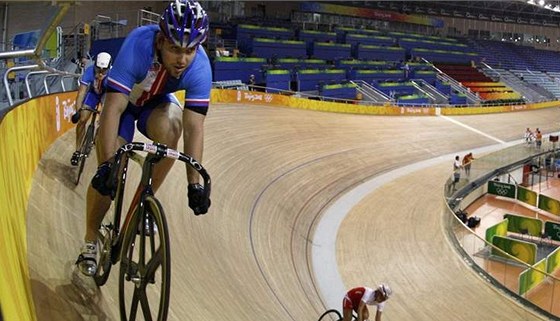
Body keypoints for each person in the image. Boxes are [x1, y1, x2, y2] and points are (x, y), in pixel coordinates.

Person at [75, 0, 212, 277]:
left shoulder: (201, 67)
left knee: (173, 130)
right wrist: (106, 165)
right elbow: (113, 108)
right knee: (109, 176)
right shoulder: (138, 44)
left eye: (189, 50)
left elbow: (194, 127)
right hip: (125, 104)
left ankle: (142, 203)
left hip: (156, 104)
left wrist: (194, 183)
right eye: (175, 48)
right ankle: (90, 239)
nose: (182, 59)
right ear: (160, 40)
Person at [70, 52, 112, 166]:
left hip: (106, 95)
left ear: (109, 68)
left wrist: (104, 117)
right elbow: (81, 93)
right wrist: (78, 111)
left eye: (104, 70)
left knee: (105, 122)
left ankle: (97, 138)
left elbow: (111, 100)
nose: (100, 72)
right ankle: (77, 150)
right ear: (95, 66)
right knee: (82, 119)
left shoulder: (112, 75)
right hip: (93, 94)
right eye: (98, 69)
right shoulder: (89, 71)